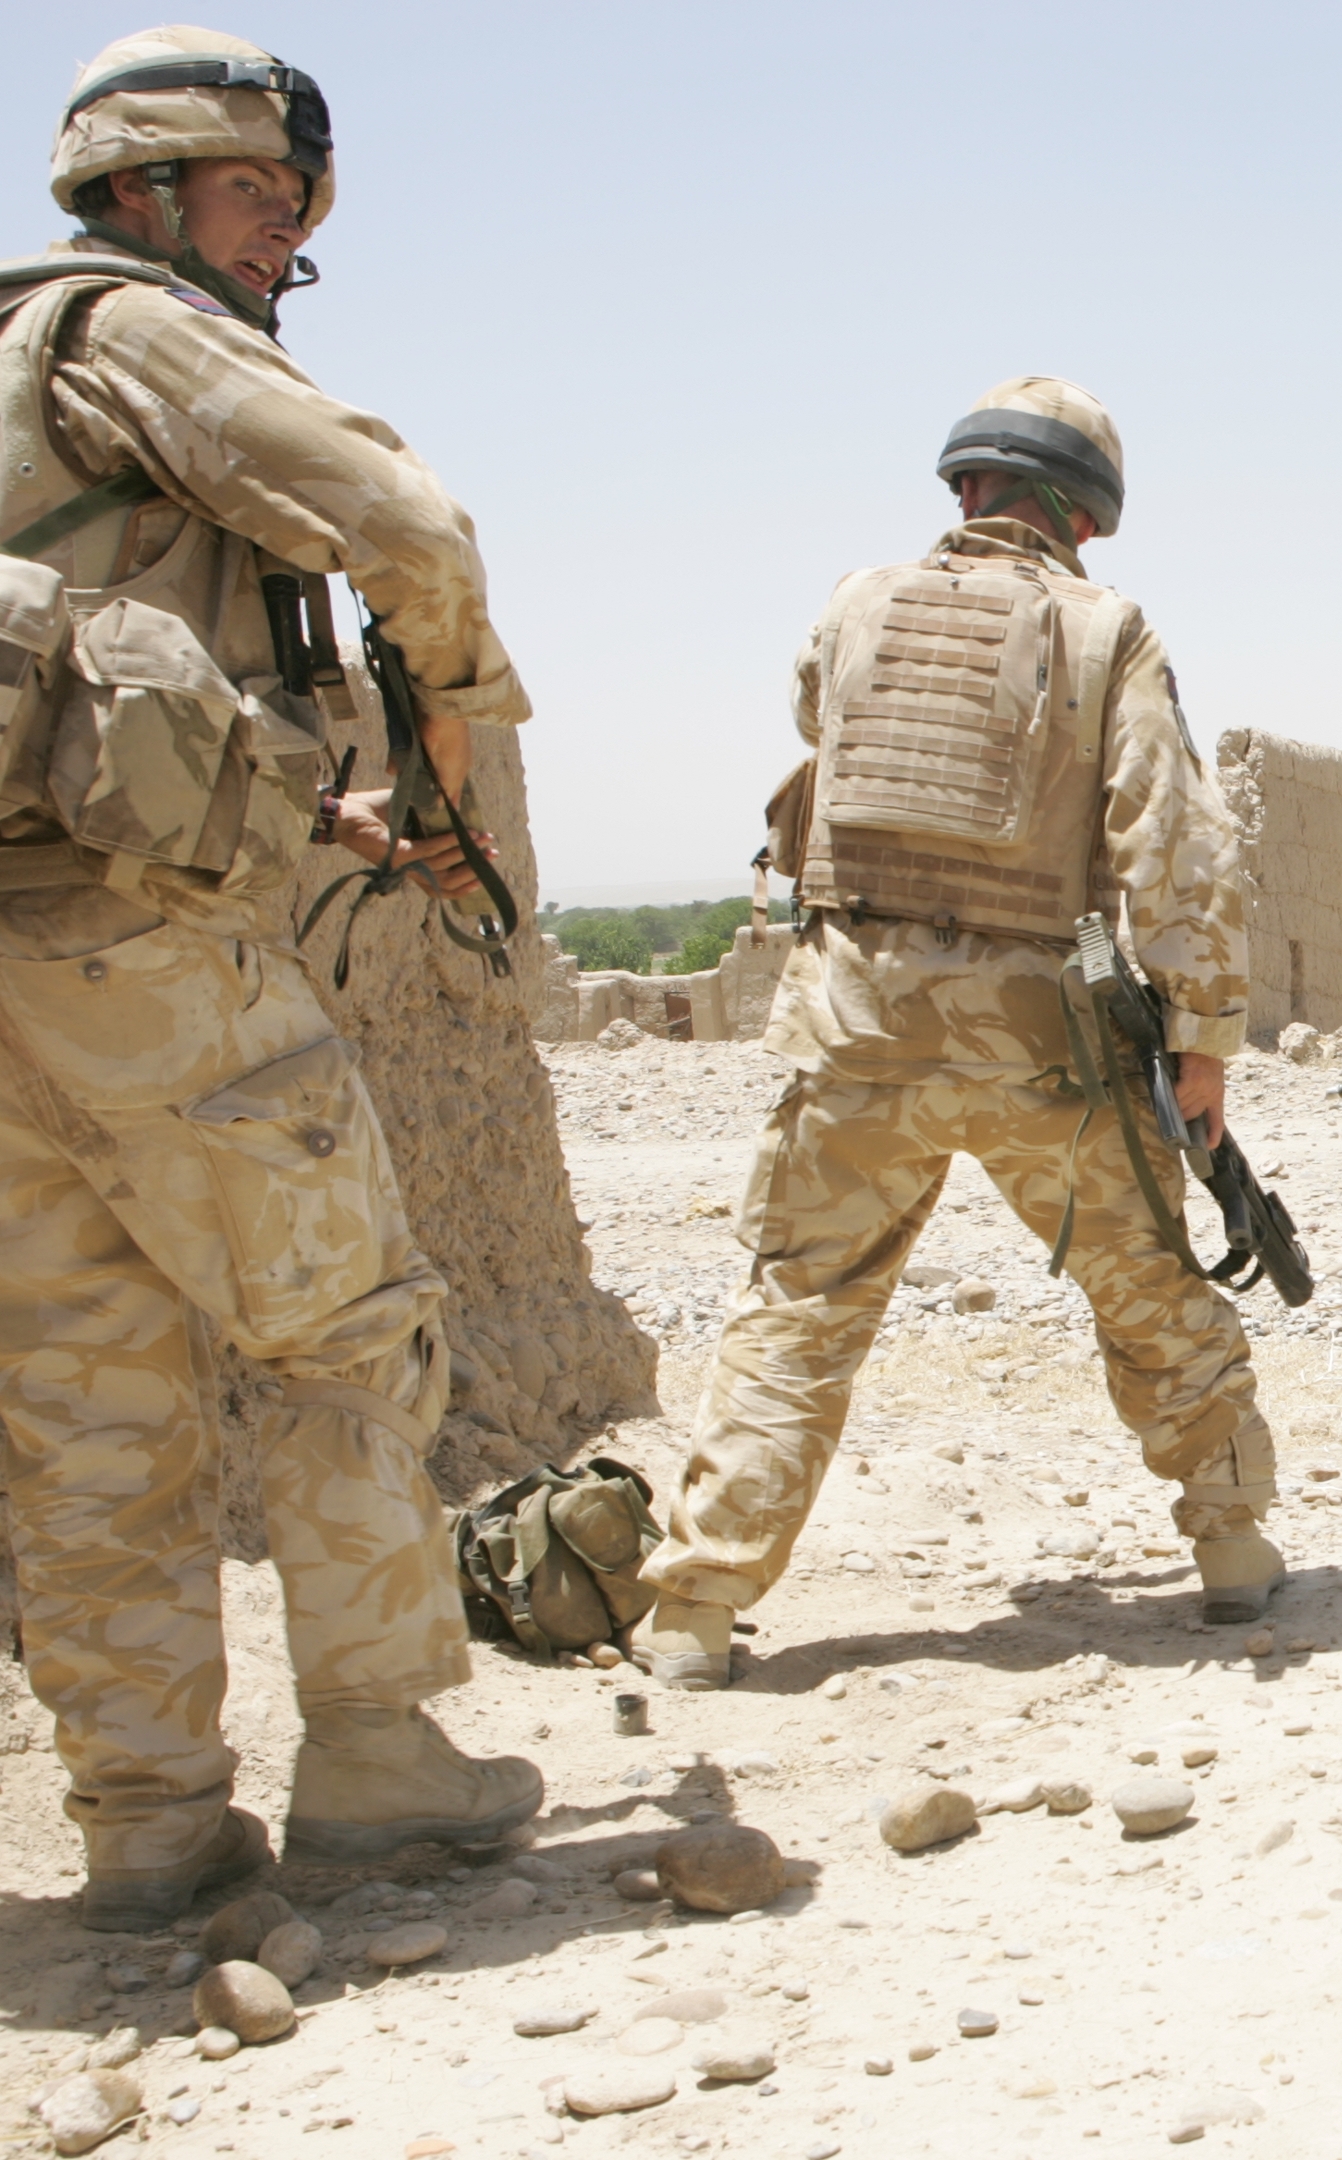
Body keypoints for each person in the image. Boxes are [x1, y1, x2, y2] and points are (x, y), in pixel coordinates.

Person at [0, 26, 545, 1929]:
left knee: (84, 1409)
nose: (281, 240)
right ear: (137, 191)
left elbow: (94, 685)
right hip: (136, 946)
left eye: (297, 211)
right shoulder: (127, 328)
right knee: (345, 1333)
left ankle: (147, 1825)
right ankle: (385, 1761)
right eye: (255, 195)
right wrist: (458, 724)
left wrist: (327, 819)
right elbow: (403, 523)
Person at [635, 379, 1281, 1685]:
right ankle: (1234, 1556)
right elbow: (1174, 844)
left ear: (966, 488)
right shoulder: (1107, 630)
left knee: (796, 1314)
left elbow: (821, 729)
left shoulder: (853, 600)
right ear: (1087, 517)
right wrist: (1201, 1043)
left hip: (855, 1026)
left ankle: (694, 1611)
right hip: (1038, 1036)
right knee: (1151, 1287)